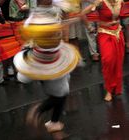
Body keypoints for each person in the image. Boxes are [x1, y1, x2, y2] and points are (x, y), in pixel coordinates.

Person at [13, 0, 81, 132]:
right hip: (46, 63)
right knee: (61, 93)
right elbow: (43, 30)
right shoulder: (37, 19)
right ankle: (40, 111)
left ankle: (54, 123)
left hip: (55, 58)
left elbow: (67, 7)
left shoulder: (52, 8)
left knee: (62, 91)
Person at [80, 0, 125, 101]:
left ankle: (116, 87)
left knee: (117, 62)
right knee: (108, 61)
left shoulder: (120, 2)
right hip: (105, 34)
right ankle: (108, 90)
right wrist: (89, 27)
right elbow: (82, 14)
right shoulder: (100, 2)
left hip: (118, 33)